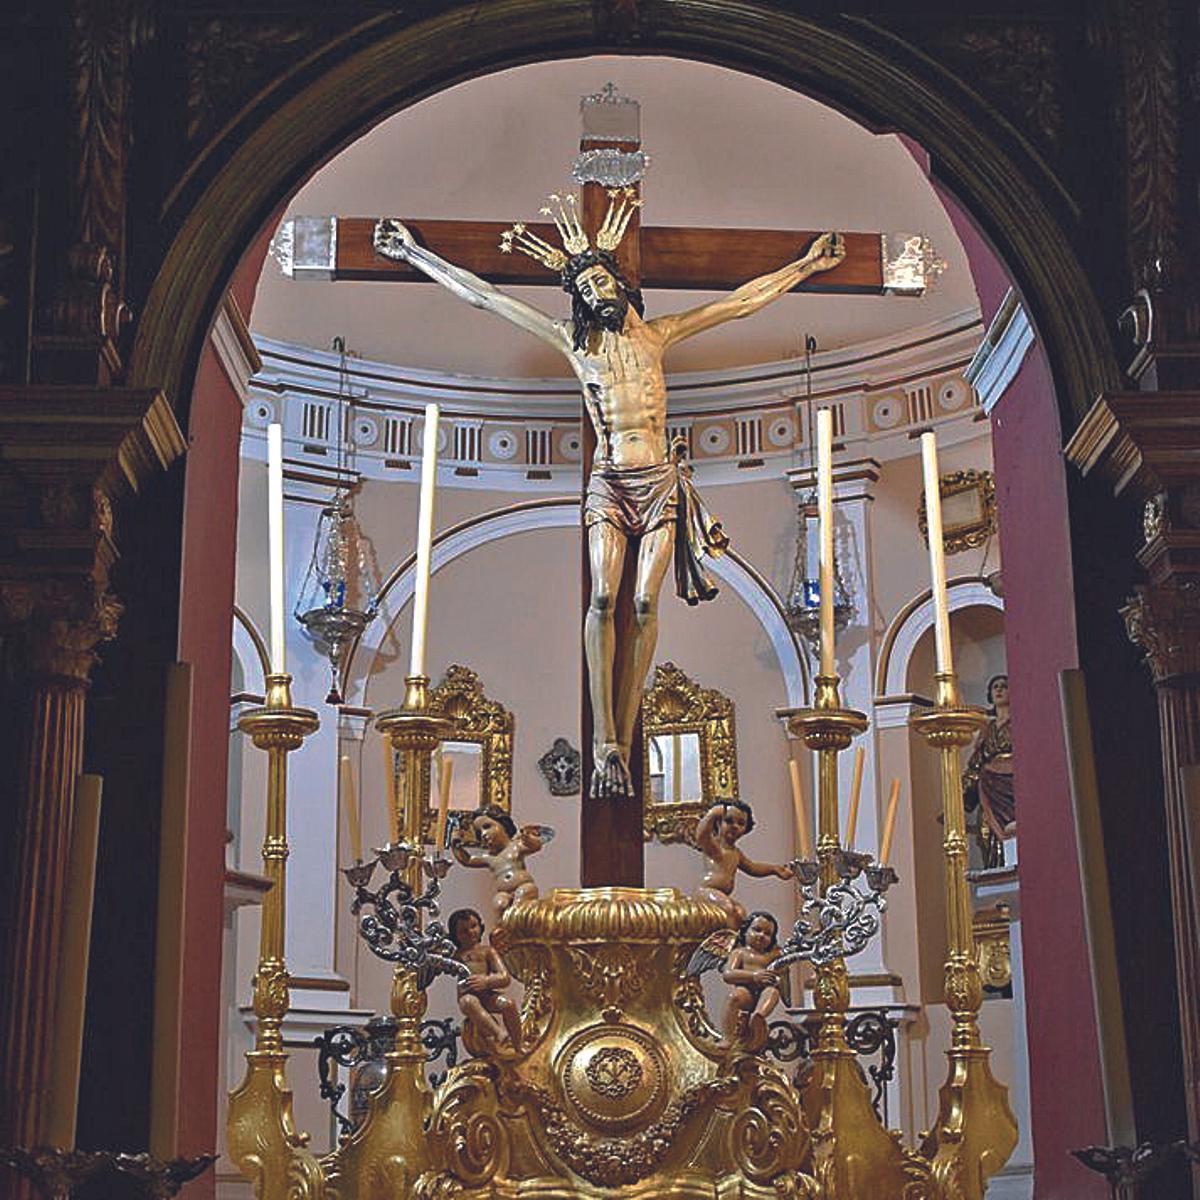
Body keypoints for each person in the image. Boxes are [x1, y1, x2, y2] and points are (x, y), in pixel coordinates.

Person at [375, 196, 845, 800]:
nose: (599, 292)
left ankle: (624, 735)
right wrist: (416, 254)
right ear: (579, 296)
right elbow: (487, 297)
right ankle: (605, 743)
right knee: (602, 598)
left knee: (646, 609)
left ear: (621, 284)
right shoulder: (577, 347)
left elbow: (739, 303)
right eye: (588, 285)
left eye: (604, 280)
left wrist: (805, 266)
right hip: (609, 483)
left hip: (660, 486)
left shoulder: (658, 337)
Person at [694, 800, 793, 927]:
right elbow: (702, 836)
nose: (735, 826)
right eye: (729, 821)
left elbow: (753, 868)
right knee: (727, 907)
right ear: (718, 823)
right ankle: (727, 940)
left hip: (722, 895)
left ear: (746, 828)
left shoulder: (736, 853)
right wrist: (711, 814)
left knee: (740, 913)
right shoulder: (715, 847)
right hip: (706, 891)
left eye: (741, 823)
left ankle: (737, 940)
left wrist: (774, 870)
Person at [450, 806, 546, 918]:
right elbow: (468, 860)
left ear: (503, 825)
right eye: (479, 832)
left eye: (487, 827)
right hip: (503, 892)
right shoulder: (489, 857)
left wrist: (527, 836)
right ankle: (505, 930)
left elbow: (535, 846)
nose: (483, 834)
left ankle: (519, 927)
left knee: (522, 897)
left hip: (524, 886)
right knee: (499, 903)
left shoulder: (516, 846)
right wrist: (455, 846)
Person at [448, 908, 523, 1052]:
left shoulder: (487, 952)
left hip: (487, 996)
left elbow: (504, 977)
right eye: (464, 931)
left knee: (509, 1004)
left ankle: (518, 1045)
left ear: (480, 927)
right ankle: (498, 1032)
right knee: (469, 1002)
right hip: (468, 997)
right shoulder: (456, 956)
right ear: (455, 935)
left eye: (473, 926)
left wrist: (486, 981)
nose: (470, 932)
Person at [962, 673, 1015, 869]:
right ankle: (994, 869)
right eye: (995, 687)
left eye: (1004, 686)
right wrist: (959, 798)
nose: (999, 690)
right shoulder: (987, 729)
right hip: (989, 790)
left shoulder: (1019, 722)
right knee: (986, 834)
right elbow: (975, 763)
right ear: (990, 695)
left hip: (1013, 787)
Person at [720, 910, 783, 1049]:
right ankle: (728, 1037)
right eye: (757, 930)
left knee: (773, 992)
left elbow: (781, 976)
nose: (761, 936)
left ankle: (758, 1019)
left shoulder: (772, 955)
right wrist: (753, 976)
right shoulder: (740, 953)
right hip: (746, 992)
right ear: (745, 931)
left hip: (764, 992)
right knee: (734, 997)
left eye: (768, 934)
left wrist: (776, 979)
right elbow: (728, 974)